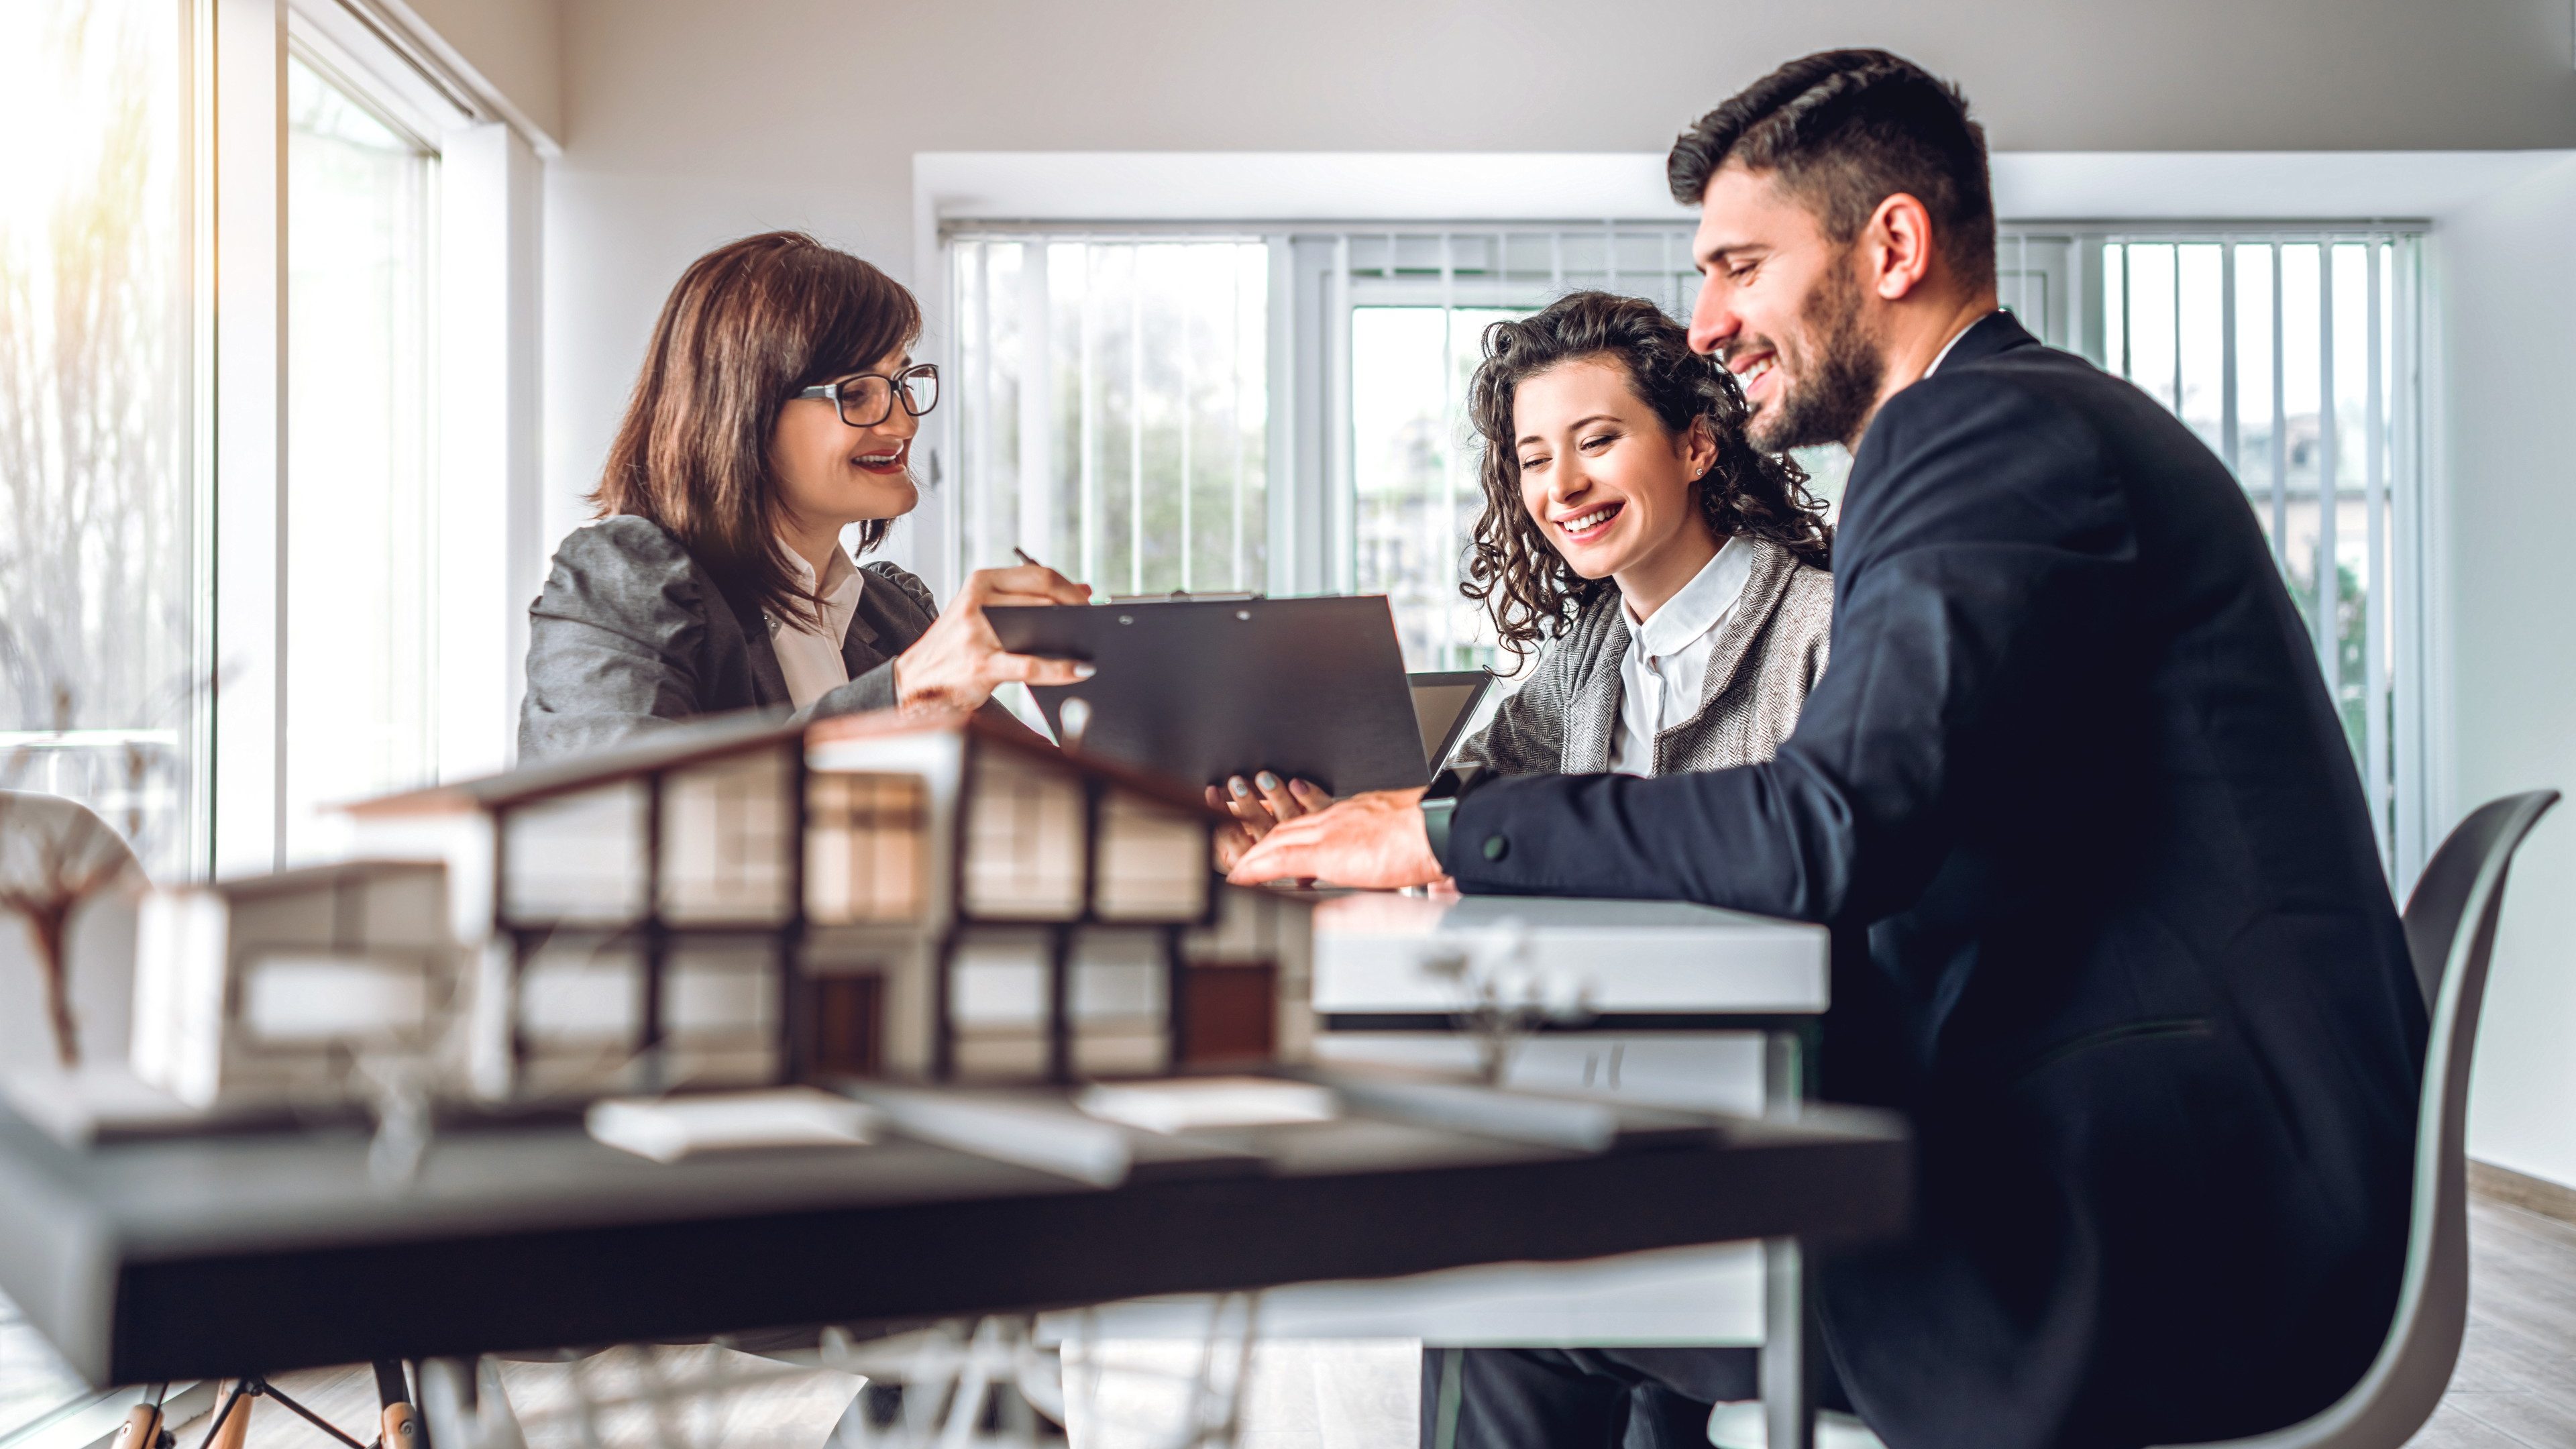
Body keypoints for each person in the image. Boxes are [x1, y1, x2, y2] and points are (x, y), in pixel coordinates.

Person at [1234, 50, 2424, 1449]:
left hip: (2170, 1230)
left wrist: (1432, 835)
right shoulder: (2030, 426)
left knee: (1516, 1264)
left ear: (1894, 245)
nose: (1712, 320)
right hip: (2186, 1176)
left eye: (1743, 265)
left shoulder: (1978, 435)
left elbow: (1828, 832)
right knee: (1583, 1229)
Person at [1209, 290, 1833, 861]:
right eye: (1534, 459)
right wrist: (1329, 824)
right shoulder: (1593, 653)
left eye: (1596, 442)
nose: (1561, 485)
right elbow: (1466, 804)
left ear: (1696, 446)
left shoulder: (1824, 627)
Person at [519, 231, 1090, 761]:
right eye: (857, 392)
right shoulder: (619, 580)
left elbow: (1052, 794)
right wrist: (904, 692)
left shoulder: (891, 615)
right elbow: (622, 815)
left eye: (900, 383)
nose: (902, 424)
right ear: (742, 409)